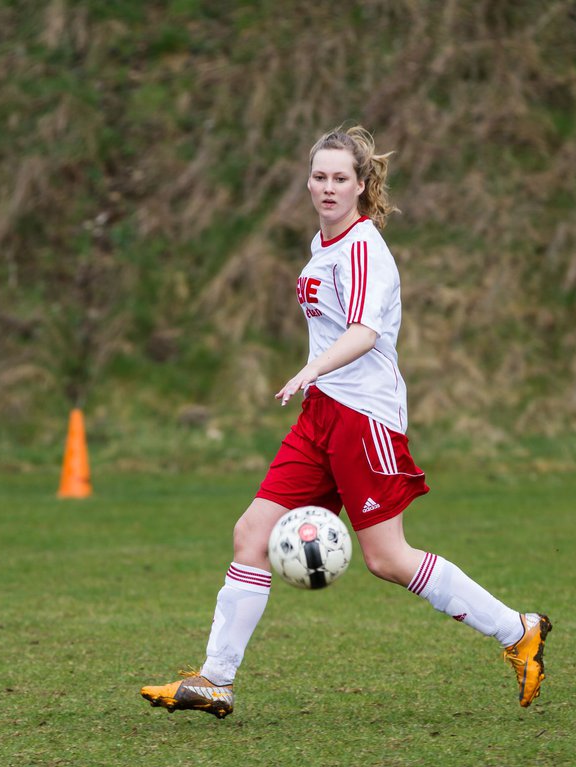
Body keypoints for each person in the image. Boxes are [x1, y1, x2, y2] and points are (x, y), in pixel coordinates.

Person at [140, 125, 551, 719]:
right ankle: (215, 680)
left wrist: (309, 370)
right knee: (251, 535)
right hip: (322, 415)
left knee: (387, 557)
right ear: (308, 181)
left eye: (340, 178)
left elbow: (365, 331)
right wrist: (315, 382)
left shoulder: (364, 248)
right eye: (319, 176)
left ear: (361, 185)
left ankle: (517, 630)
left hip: (364, 418)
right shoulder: (324, 245)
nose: (328, 187)